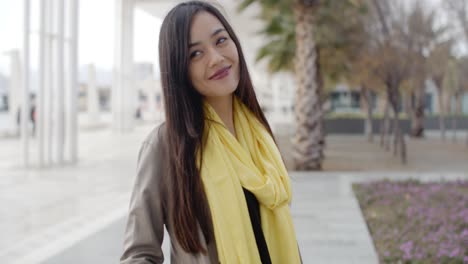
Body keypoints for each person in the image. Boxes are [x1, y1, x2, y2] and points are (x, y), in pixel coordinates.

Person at [120, 1, 302, 263]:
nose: (216, 58)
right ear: (179, 68)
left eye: (220, 40)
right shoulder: (165, 145)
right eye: (195, 54)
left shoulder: (258, 133)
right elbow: (139, 253)